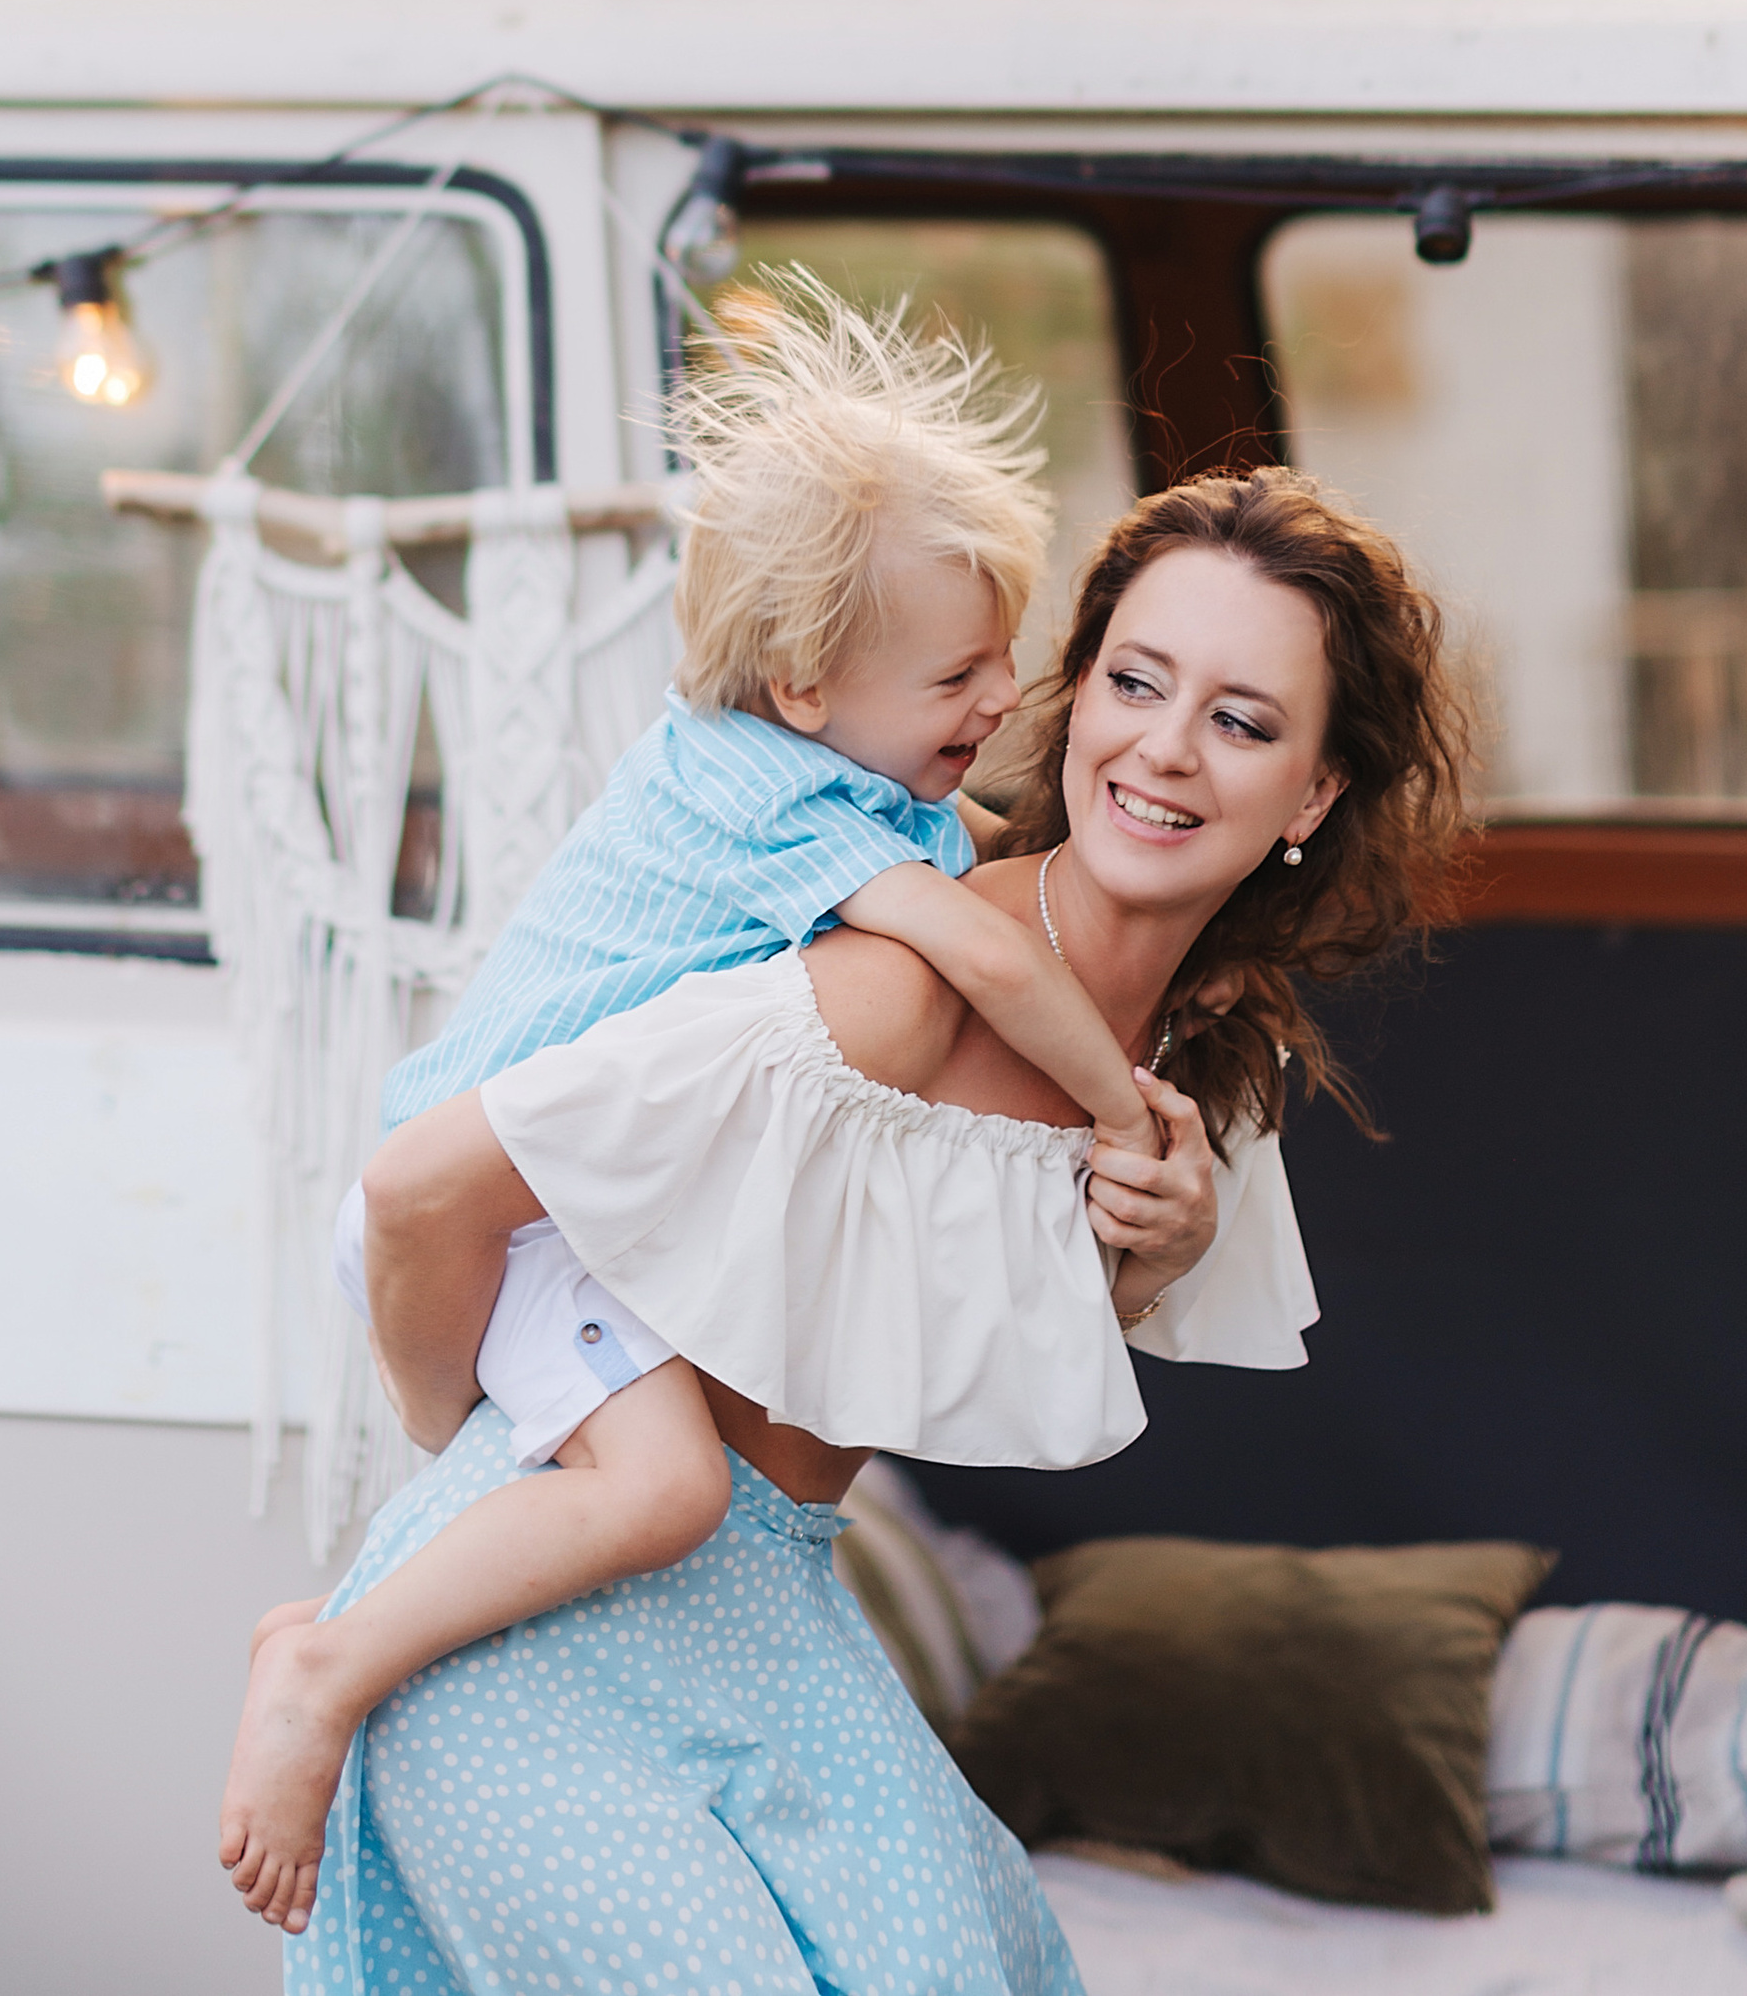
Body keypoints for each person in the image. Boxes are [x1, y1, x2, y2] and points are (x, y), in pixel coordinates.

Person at [281, 463, 1473, 1996]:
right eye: (1136, 682)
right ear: (1079, 690)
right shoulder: (895, 980)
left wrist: (1148, 1264)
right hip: (535, 1638)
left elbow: (922, 1321)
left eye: (1242, 722)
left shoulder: (1192, 1054)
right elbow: (423, 1189)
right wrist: (459, 1452)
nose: (1166, 750)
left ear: (1313, 792)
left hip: (772, 1595)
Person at [222, 281, 1198, 1935]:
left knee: (621, 1466)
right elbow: (979, 955)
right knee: (662, 1490)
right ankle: (323, 1663)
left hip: (562, 1205)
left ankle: (342, 1621)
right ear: (809, 684)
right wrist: (1124, 1111)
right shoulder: (783, 795)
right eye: (961, 671)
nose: (1003, 699)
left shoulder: (850, 781)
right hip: (509, 1200)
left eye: (1012, 654)